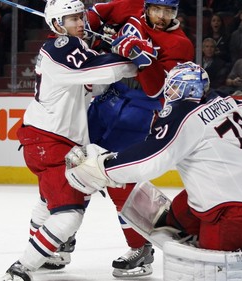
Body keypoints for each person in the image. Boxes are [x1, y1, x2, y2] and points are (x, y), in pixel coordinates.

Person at [65, 61, 242, 254]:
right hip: (235, 195)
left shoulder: (182, 116)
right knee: (174, 218)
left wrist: (104, 167)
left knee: (215, 268)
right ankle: (194, 232)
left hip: (236, 208)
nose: (169, 94)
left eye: (173, 89)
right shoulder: (226, 101)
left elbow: (152, 158)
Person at [0, 0, 137, 280]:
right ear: (56, 24)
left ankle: (50, 253)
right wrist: (131, 57)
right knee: (70, 213)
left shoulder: (73, 47)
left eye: (80, 17)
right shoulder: (62, 45)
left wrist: (110, 49)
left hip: (46, 139)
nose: (79, 23)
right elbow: (105, 72)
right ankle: (20, 269)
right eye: (71, 18)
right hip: (49, 142)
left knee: (49, 201)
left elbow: (96, 84)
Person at [86, 0, 195, 277]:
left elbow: (157, 90)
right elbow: (96, 14)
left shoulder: (180, 45)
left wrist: (143, 59)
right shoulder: (130, 8)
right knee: (74, 162)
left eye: (168, 12)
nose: (161, 17)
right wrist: (94, 32)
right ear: (146, 7)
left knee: (117, 179)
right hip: (108, 99)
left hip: (141, 111)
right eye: (156, 9)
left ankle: (141, 247)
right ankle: (60, 235)